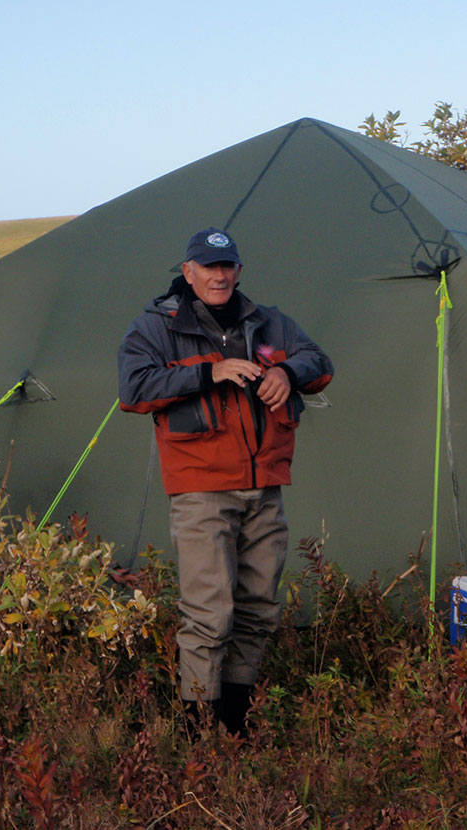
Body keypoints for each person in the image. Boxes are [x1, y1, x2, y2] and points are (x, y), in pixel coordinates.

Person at [118, 227, 333, 733]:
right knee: (210, 614)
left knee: (258, 609)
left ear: (238, 270)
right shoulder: (156, 327)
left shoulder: (268, 322)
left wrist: (289, 374)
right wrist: (207, 372)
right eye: (209, 267)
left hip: (265, 487)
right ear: (188, 272)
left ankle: (234, 727)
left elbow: (319, 361)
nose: (219, 276)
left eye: (227, 266)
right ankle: (197, 732)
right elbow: (133, 389)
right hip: (201, 490)